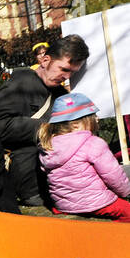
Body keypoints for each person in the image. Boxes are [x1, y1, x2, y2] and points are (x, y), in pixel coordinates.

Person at [0, 34, 90, 207]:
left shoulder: (61, 95)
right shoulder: (20, 84)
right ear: (45, 60)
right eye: (63, 69)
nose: (66, 77)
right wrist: (45, 129)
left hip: (55, 187)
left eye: (72, 73)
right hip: (25, 184)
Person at [38, 92, 130, 222]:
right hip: (95, 203)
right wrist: (125, 192)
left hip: (63, 205)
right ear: (76, 125)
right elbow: (113, 175)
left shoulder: (48, 145)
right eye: (93, 117)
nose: (97, 119)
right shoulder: (92, 143)